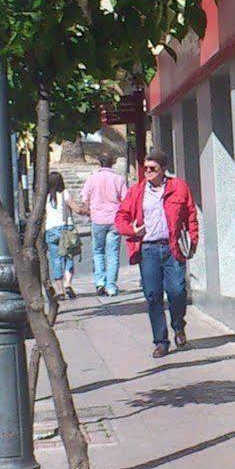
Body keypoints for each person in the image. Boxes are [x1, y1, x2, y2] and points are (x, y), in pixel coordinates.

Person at [113, 149, 200, 358]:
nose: (148, 172)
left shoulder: (178, 187)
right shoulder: (136, 192)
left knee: (177, 291)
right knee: (153, 295)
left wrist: (193, 238)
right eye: (146, 168)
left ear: (163, 169)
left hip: (172, 247)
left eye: (153, 169)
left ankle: (178, 324)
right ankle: (161, 341)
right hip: (148, 249)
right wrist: (132, 230)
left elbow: (190, 214)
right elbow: (120, 218)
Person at [81, 150, 127, 296]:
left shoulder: (92, 178)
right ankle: (111, 286)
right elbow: (125, 199)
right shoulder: (118, 179)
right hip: (114, 219)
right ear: (112, 162)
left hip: (97, 219)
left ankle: (100, 282)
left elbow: (84, 199)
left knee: (98, 251)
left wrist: (90, 210)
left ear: (99, 162)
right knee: (112, 254)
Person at [42, 171, 81, 300]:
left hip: (51, 230)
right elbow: (76, 209)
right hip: (66, 229)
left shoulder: (45, 197)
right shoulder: (65, 194)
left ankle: (60, 291)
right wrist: (87, 211)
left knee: (56, 260)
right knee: (69, 257)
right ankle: (68, 283)